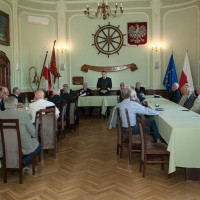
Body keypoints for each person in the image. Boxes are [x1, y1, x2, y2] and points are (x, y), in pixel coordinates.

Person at [0, 96, 41, 165]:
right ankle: (22, 162)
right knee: (38, 145)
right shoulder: (23, 115)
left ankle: (9, 162)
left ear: (4, 105)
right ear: (16, 105)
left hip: (4, 146)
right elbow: (32, 131)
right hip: (22, 144)